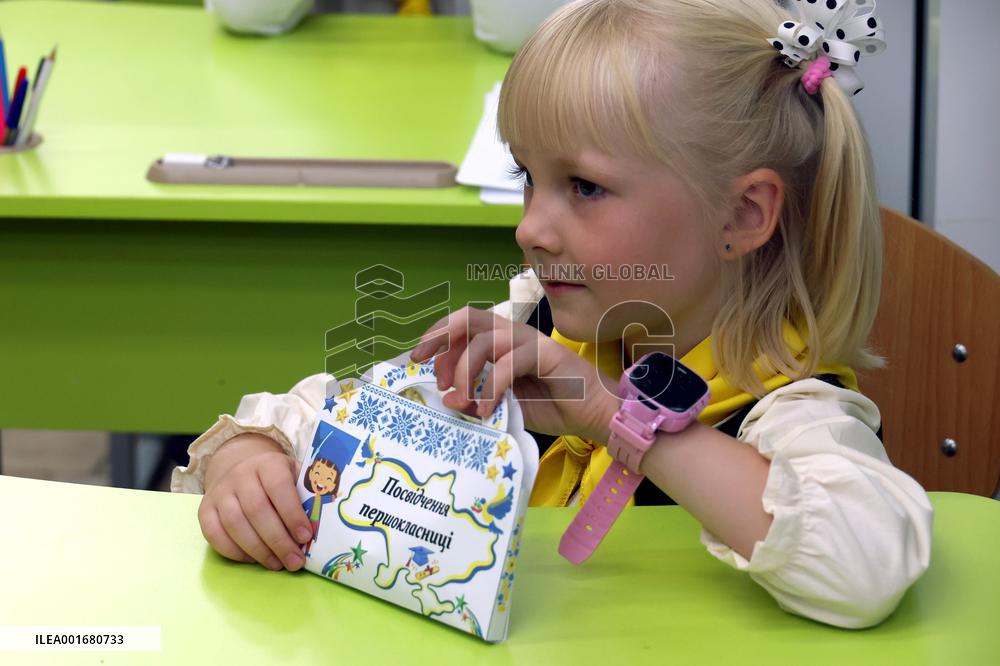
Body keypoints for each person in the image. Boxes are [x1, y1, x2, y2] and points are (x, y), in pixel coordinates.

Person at [173, 0, 932, 629]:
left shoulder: (791, 409)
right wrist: (255, 459)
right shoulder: (544, 326)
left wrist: (611, 417)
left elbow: (864, 568)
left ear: (743, 212)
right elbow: (345, 416)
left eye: (586, 187)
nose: (530, 226)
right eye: (528, 177)